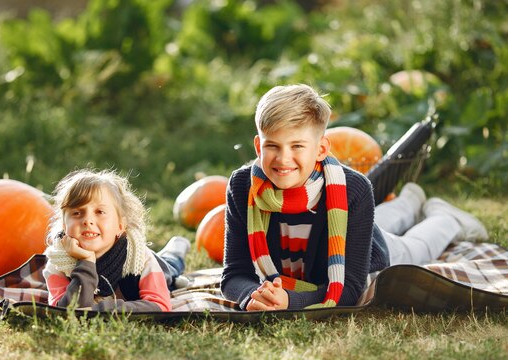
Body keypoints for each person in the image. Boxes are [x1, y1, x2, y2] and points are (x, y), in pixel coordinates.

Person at [221, 84, 488, 311]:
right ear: (259, 146)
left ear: (321, 149)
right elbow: (234, 275)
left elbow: (350, 289)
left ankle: (445, 217)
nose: (283, 158)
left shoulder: (353, 189)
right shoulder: (244, 186)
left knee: (415, 247)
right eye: (272, 146)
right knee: (378, 219)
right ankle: (409, 200)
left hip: (372, 255)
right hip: (352, 230)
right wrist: (252, 297)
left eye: (297, 146)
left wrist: (290, 300)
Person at [42, 168, 191, 312]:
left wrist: (100, 310)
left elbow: (160, 306)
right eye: (77, 213)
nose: (87, 220)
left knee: (172, 265)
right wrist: (86, 261)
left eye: (100, 212)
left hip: (159, 268)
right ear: (64, 226)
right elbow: (65, 311)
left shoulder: (141, 260)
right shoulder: (58, 264)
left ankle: (177, 246)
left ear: (120, 226)